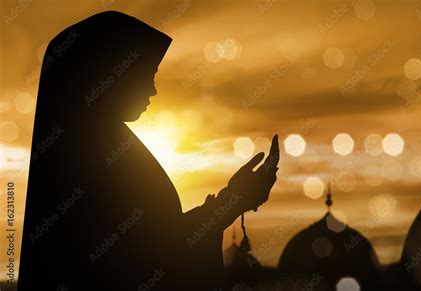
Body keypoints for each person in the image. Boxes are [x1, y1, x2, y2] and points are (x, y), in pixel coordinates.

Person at [18, 11, 279, 290]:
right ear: (109, 74)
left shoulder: (107, 146)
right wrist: (232, 201)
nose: (153, 90)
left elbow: (159, 242)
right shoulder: (87, 160)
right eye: (146, 75)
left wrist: (232, 200)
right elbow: (147, 259)